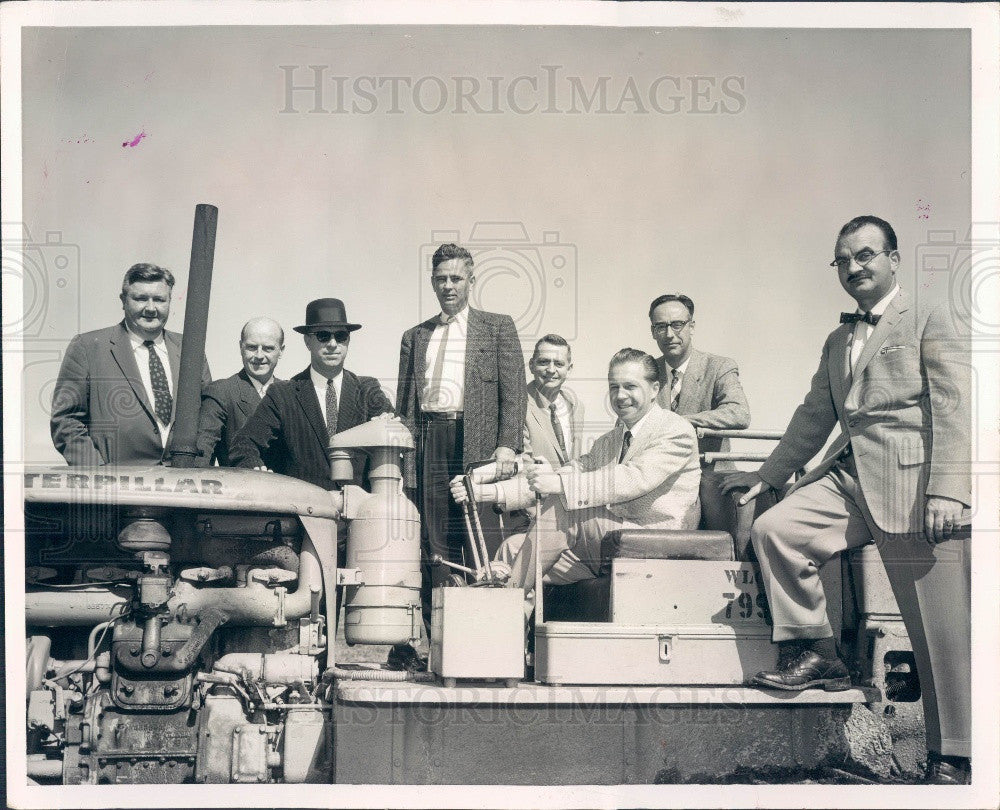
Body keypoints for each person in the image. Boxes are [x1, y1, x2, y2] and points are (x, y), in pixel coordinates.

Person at [723, 215, 971, 784]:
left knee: (939, 631)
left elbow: (957, 408)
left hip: (916, 494)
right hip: (849, 481)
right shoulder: (837, 339)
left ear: (893, 259)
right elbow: (816, 413)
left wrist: (948, 490)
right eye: (843, 260)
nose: (854, 267)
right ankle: (818, 654)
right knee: (776, 531)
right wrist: (770, 474)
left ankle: (954, 756)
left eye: (865, 255)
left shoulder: (929, 317)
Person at [394, 243, 527, 669]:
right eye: (440, 279)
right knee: (434, 542)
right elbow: (405, 403)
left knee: (482, 541)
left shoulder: (497, 327)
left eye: (456, 278)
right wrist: (403, 459)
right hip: (430, 439)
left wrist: (507, 445)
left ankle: (489, 647)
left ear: (471, 281)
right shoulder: (415, 337)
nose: (448, 286)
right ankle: (442, 648)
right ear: (432, 283)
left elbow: (515, 391)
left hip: (478, 446)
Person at [469, 348, 700, 591]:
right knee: (513, 548)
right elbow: (573, 471)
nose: (620, 396)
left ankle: (504, 604)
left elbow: (632, 478)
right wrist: (487, 493)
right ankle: (506, 623)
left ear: (654, 389)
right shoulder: (610, 440)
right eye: (614, 387)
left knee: (566, 509)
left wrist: (558, 484)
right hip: (608, 544)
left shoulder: (675, 430)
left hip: (657, 546)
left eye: (630, 386)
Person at [50, 263, 211, 466]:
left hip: (181, 486)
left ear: (170, 301)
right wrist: (98, 475)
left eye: (160, 299)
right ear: (123, 301)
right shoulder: (87, 348)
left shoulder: (190, 350)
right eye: (141, 298)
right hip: (117, 488)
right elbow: (66, 422)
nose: (151, 308)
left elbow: (208, 419)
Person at [229, 298, 393, 490]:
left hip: (360, 513)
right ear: (308, 341)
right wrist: (255, 471)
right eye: (323, 336)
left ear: (348, 340)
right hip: (304, 514)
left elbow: (404, 427)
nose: (333, 344)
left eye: (340, 336)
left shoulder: (366, 389)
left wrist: (389, 424)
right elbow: (243, 443)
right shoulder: (283, 395)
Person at [649, 293, 750, 529]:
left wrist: (680, 423)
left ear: (691, 326)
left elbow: (739, 413)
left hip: (711, 477)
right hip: (658, 480)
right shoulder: (646, 371)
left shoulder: (719, 366)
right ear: (653, 331)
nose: (669, 334)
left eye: (677, 324)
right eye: (661, 326)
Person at [195, 316, 285, 467]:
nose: (259, 355)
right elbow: (202, 454)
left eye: (268, 348)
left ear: (281, 351)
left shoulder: (289, 393)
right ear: (240, 347)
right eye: (251, 347)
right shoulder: (220, 392)